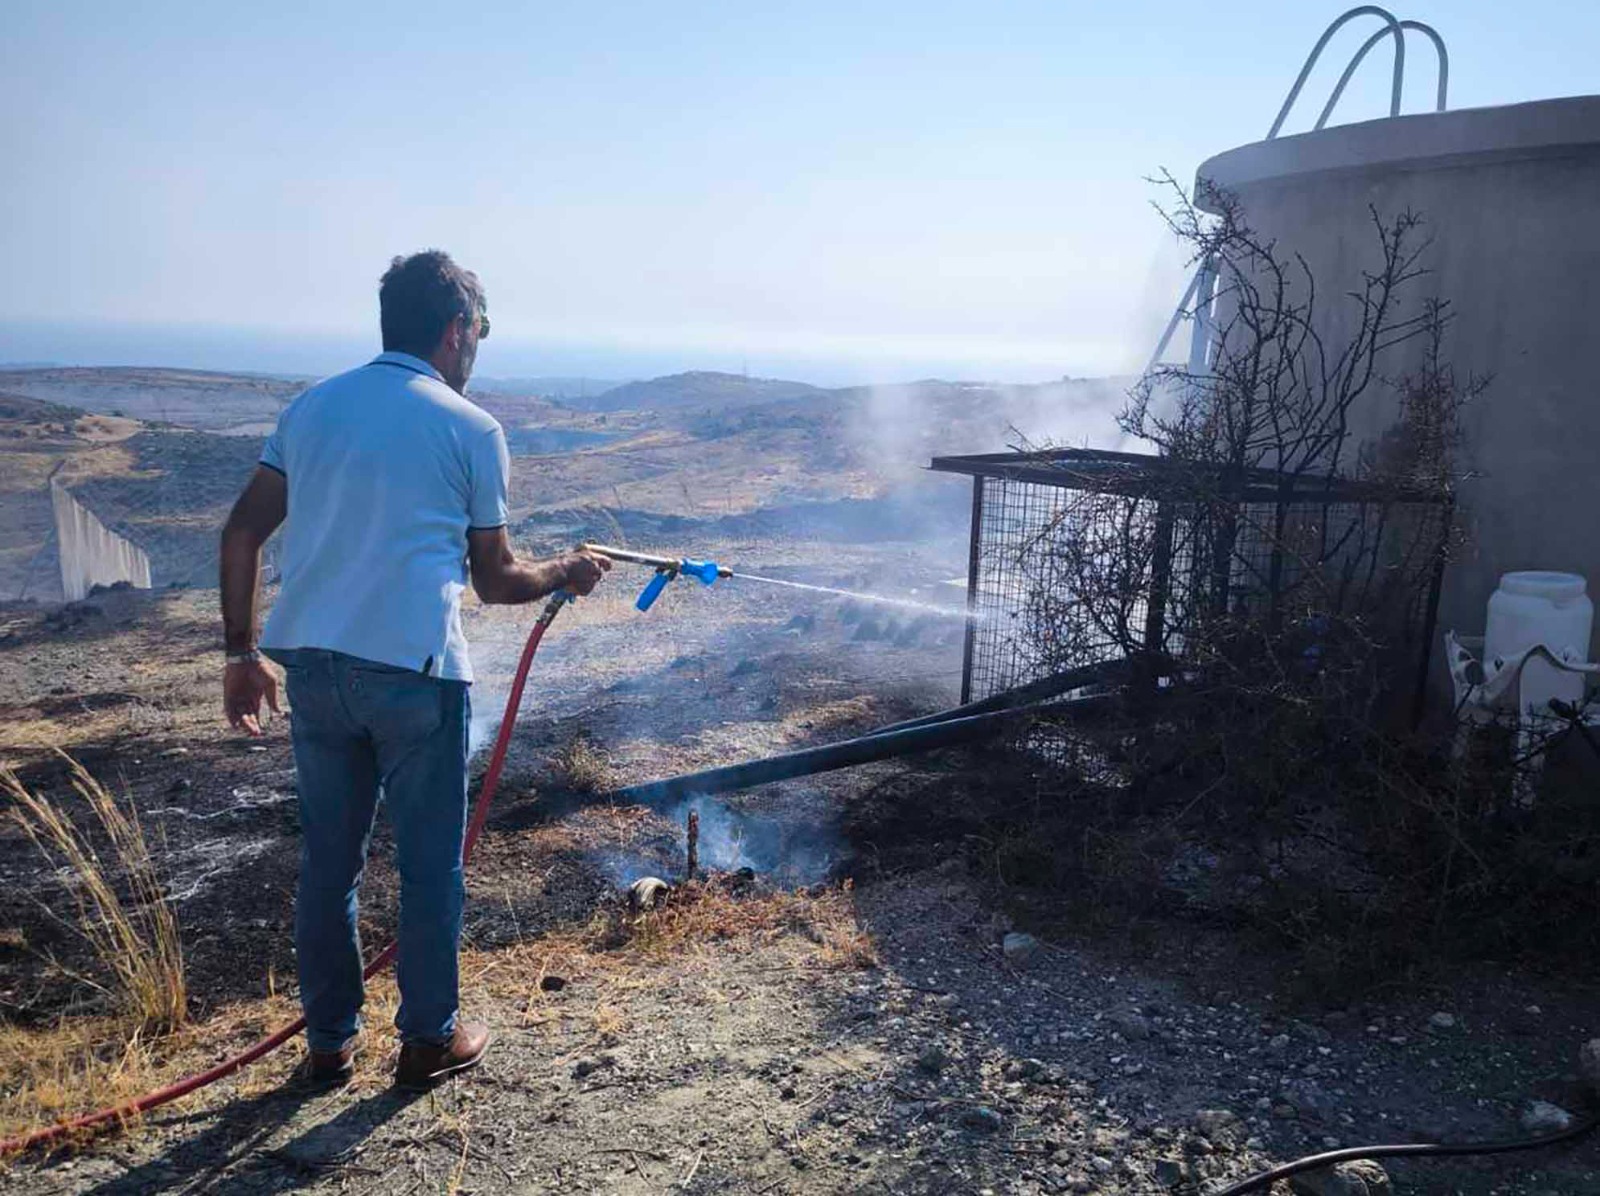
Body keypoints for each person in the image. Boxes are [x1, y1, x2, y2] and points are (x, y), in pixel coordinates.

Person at [219, 250, 609, 1090]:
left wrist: (241, 656)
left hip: (313, 670)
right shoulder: (470, 428)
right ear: (456, 330)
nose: (478, 349)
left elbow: (241, 533)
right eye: (480, 332)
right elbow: (498, 580)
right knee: (430, 866)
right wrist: (565, 573)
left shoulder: (312, 409)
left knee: (330, 863)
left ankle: (329, 1043)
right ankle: (428, 1040)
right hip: (415, 673)